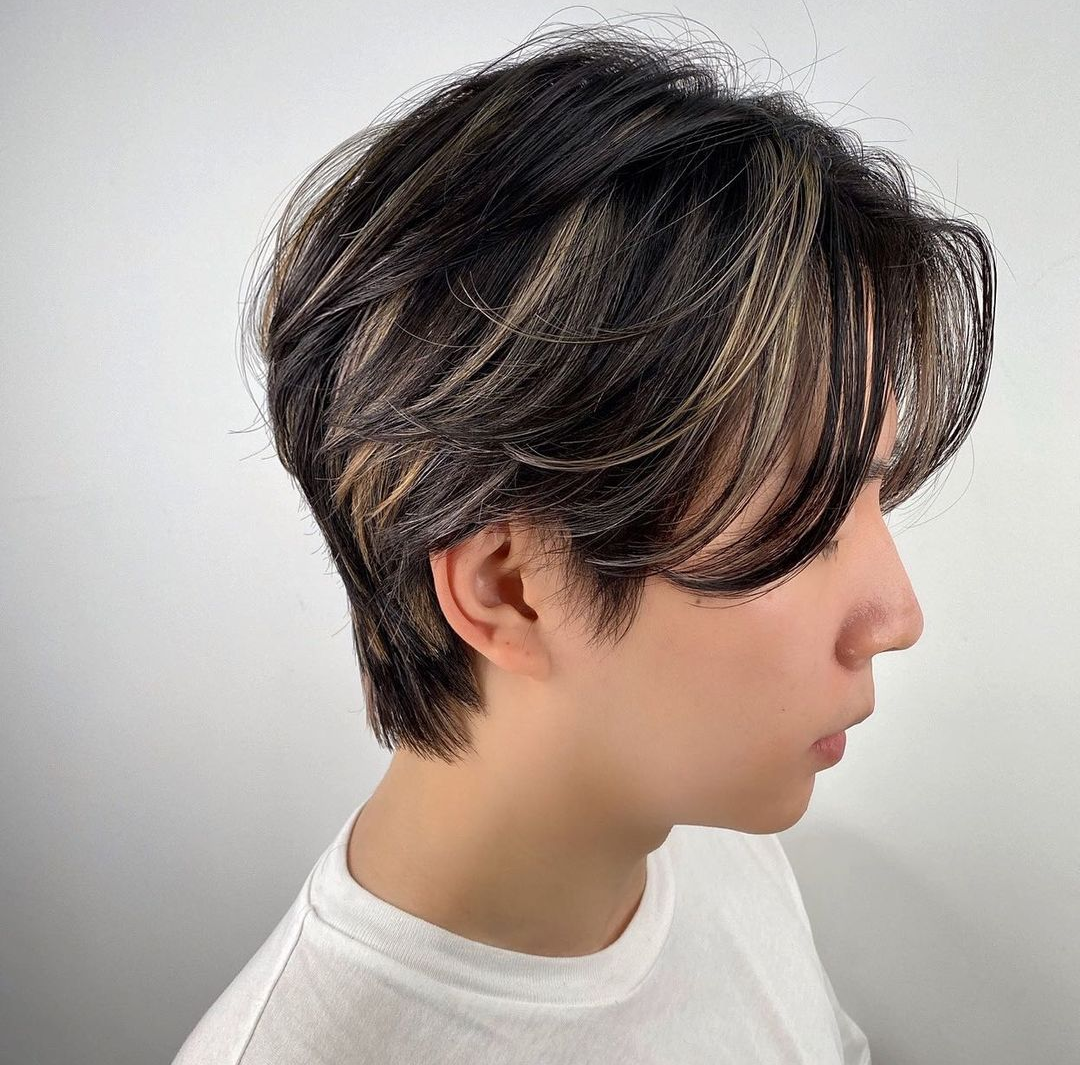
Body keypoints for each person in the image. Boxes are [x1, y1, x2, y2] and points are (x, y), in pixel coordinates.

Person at [173, 20, 995, 1065]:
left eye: (871, 493)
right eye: (802, 517)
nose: (899, 617)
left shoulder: (707, 827)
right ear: (511, 589)